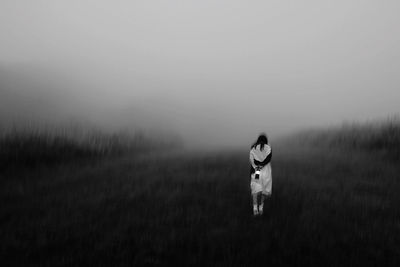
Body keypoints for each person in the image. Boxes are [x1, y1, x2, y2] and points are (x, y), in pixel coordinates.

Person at [249, 133, 272, 216]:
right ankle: (261, 208)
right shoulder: (268, 147)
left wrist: (258, 164)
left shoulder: (253, 147)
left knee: (255, 189)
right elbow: (268, 159)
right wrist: (262, 164)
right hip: (265, 170)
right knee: (264, 190)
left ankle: (255, 209)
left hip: (256, 170)